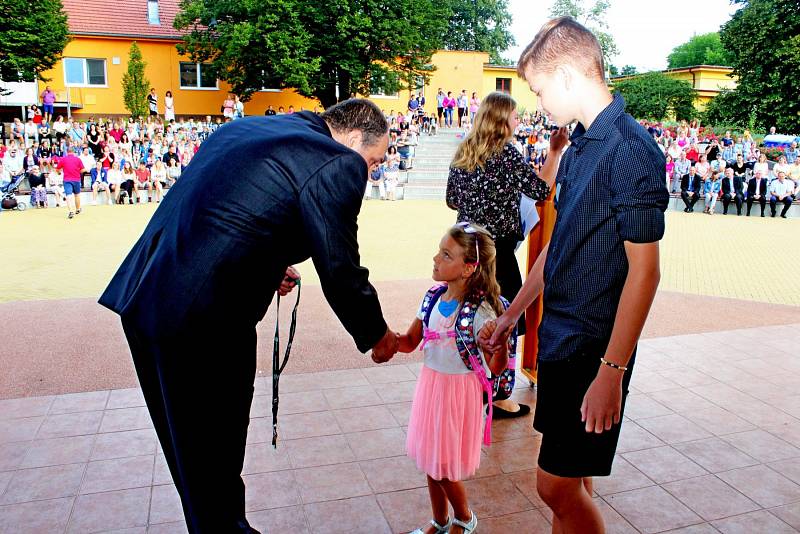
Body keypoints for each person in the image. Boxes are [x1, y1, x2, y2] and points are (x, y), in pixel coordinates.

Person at [98, 99, 400, 534]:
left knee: (195, 463)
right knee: (212, 460)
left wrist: (266, 263)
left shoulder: (249, 129)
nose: (368, 174)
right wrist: (377, 334)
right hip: (201, 322)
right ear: (355, 138)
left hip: (147, 299)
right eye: (373, 162)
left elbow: (228, 212)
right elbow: (339, 265)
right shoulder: (338, 159)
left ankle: (221, 525)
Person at [489, 17, 668, 534]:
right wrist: (512, 316)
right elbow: (558, 246)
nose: (539, 104)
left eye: (540, 90)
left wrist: (611, 372)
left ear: (567, 75)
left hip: (593, 347)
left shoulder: (632, 150)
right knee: (573, 483)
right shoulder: (580, 147)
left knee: (556, 485)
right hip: (561, 340)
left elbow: (646, 273)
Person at [447, 91, 568, 419]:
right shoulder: (507, 154)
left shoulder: (464, 152)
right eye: (515, 116)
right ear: (502, 119)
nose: (518, 121)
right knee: (505, 322)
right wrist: (555, 152)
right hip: (496, 253)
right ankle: (499, 395)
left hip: (464, 248)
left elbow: (451, 199)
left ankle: (469, 386)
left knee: (469, 318)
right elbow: (541, 190)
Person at [394, 223, 508, 534]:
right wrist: (384, 339)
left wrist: (499, 343)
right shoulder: (431, 297)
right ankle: (439, 520)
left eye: (446, 255)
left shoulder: (480, 312)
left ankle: (464, 518)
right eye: (439, 251)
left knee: (442, 466)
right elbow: (408, 341)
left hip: (457, 393)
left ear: (469, 268)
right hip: (432, 386)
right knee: (431, 459)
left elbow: (496, 367)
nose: (436, 258)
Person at [57, 146, 84, 219]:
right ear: (74, 152)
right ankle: (78, 209)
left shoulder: (63, 159)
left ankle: (70, 211)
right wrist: (77, 171)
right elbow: (83, 169)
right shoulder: (78, 159)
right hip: (76, 179)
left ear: (67, 152)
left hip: (67, 180)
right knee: (77, 195)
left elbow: (58, 169)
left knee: (68, 195)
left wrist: (59, 172)